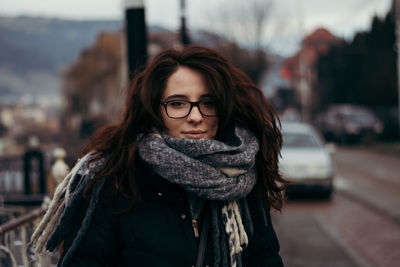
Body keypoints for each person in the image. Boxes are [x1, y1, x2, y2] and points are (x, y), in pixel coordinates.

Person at [30, 45, 286, 267]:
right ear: (155, 110)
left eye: (208, 103)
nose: (195, 116)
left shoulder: (241, 180)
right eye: (177, 103)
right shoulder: (112, 181)